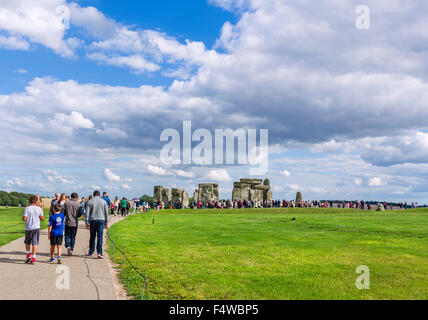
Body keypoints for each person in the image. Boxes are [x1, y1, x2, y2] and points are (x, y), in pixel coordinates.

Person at [85, 191, 109, 259]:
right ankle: (99, 252)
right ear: (99, 195)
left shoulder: (90, 201)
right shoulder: (103, 201)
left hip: (93, 220)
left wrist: (86, 222)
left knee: (92, 236)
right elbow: (106, 213)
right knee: (100, 236)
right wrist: (106, 222)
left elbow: (87, 213)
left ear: (93, 195)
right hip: (101, 220)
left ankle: (91, 251)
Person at [23, 195, 45, 264]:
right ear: (36, 201)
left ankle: (28, 254)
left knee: (27, 242)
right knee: (34, 243)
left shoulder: (27, 208)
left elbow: (24, 218)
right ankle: (33, 258)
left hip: (28, 228)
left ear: (30, 201)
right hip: (36, 228)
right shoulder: (38, 209)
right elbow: (42, 218)